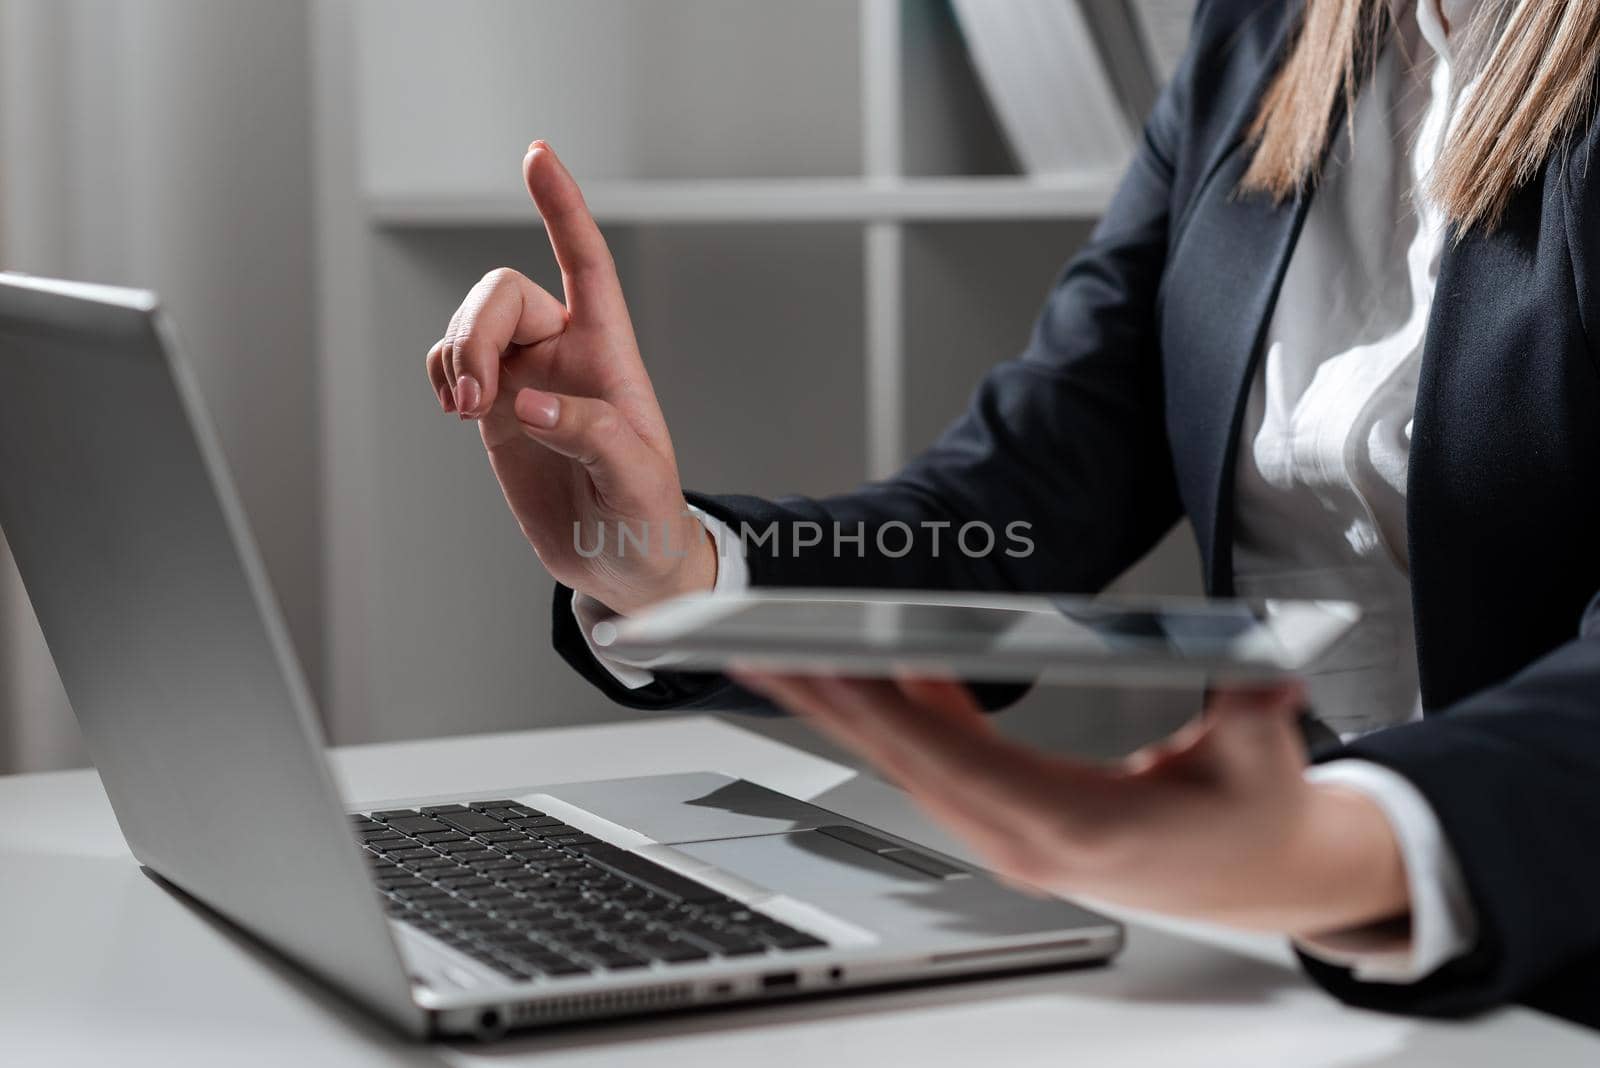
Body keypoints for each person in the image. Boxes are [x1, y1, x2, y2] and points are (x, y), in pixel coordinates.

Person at [423, 0, 1600, 1026]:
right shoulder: (1259, 32)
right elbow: (1023, 497)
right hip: (1268, 965)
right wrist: (677, 572)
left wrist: (1350, 845)